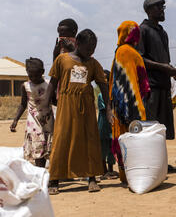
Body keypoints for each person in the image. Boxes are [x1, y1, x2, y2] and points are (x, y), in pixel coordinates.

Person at [42, 29, 111, 194]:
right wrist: (44, 106)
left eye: (94, 48)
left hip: (86, 107)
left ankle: (92, 178)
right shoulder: (62, 59)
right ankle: (54, 180)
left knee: (89, 140)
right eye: (88, 48)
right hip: (66, 105)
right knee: (62, 140)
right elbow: (52, 83)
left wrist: (108, 107)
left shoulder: (93, 64)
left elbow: (103, 85)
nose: (91, 52)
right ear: (77, 44)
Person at [109, 21, 150, 184]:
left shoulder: (120, 52)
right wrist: (135, 104)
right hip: (133, 107)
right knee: (133, 139)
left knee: (124, 139)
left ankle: (127, 176)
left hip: (123, 106)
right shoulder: (129, 53)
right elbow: (136, 84)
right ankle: (135, 175)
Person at [137, 0, 176, 140]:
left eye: (163, 7)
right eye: (158, 7)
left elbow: (164, 60)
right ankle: (151, 162)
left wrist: (171, 70)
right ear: (149, 10)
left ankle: (161, 162)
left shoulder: (162, 32)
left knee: (162, 127)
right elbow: (139, 59)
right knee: (151, 126)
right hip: (151, 87)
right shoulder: (142, 30)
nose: (162, 10)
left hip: (164, 85)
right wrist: (164, 68)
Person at [10, 58, 54, 167]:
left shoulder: (49, 85)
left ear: (42, 72)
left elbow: (55, 101)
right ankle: (40, 173)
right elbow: (23, 104)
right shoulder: (25, 86)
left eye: (36, 76)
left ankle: (48, 175)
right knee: (37, 146)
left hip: (48, 120)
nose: (33, 78)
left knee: (49, 148)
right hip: (34, 122)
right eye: (31, 76)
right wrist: (15, 120)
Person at [98, 70, 118, 180]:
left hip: (112, 126)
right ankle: (104, 171)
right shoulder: (101, 95)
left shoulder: (113, 93)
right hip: (103, 126)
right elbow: (106, 109)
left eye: (106, 78)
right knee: (103, 149)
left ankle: (110, 170)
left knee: (111, 148)